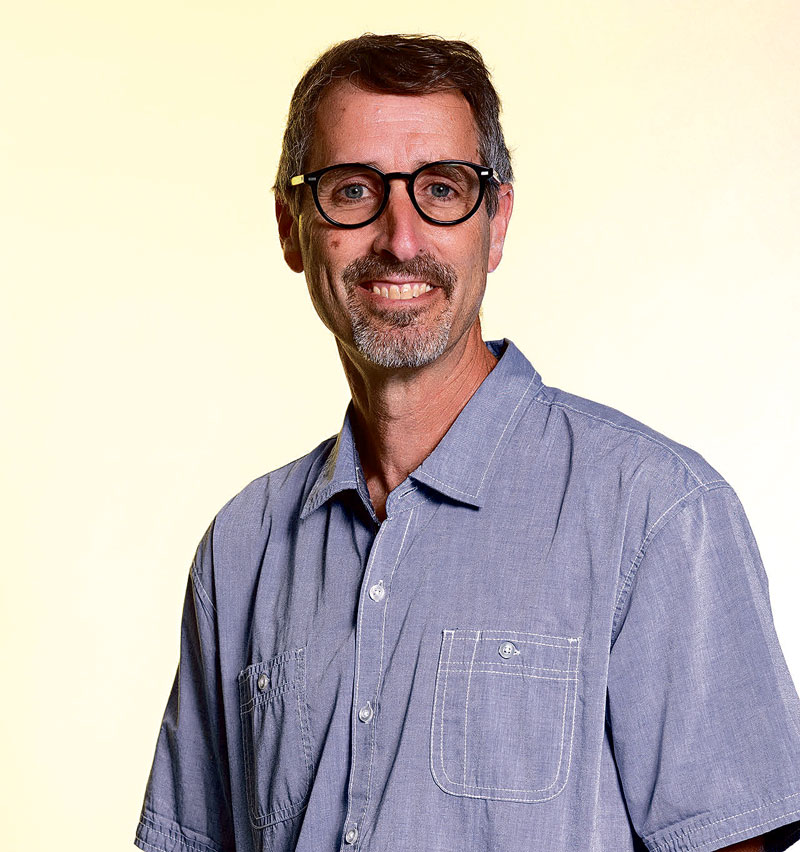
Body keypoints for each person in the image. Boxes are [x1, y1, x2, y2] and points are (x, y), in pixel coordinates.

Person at [134, 34, 800, 852]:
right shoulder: (240, 550)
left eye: (442, 189)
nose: (401, 237)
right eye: (352, 190)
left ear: (496, 222)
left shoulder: (658, 517)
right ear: (291, 226)